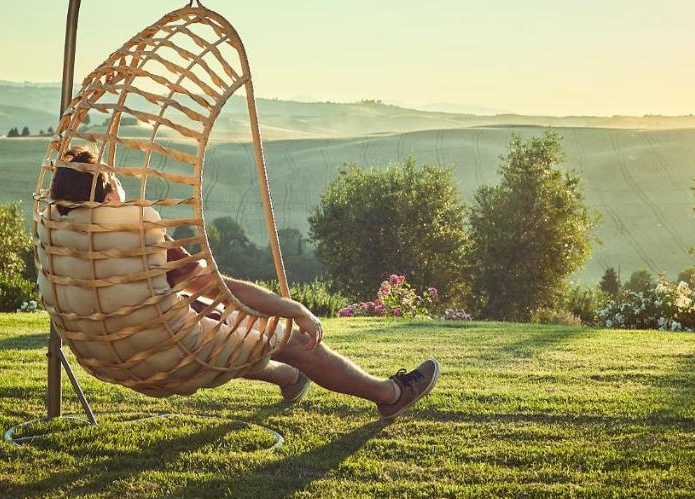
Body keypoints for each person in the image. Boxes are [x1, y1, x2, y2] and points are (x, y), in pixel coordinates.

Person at [47, 146, 438, 420]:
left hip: (110, 357)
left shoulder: (58, 244)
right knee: (289, 337)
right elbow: (220, 287)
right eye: (115, 179)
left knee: (216, 323)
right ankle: (390, 395)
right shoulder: (134, 237)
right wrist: (294, 309)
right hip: (172, 351)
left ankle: (288, 377)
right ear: (108, 191)